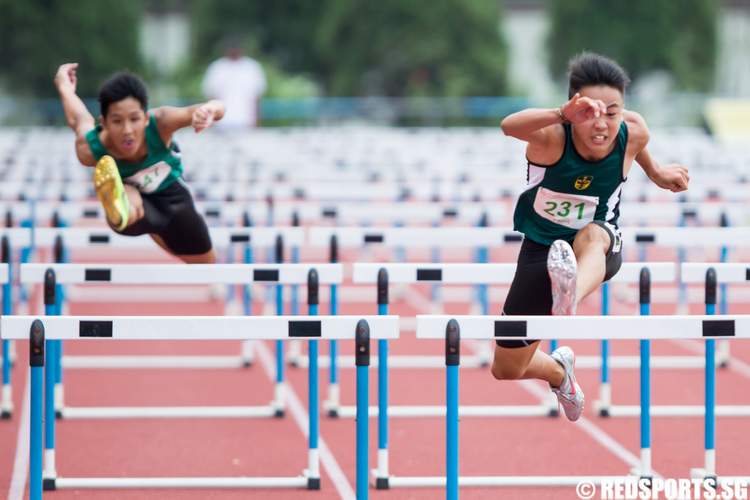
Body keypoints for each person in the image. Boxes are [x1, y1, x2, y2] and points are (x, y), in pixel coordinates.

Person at [494, 52, 689, 421]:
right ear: (573, 108)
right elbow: (508, 125)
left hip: (599, 246)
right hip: (541, 248)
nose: (602, 124)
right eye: (591, 112)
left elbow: (636, 142)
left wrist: (658, 172)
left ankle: (570, 294)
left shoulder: (634, 130)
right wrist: (560, 114)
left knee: (592, 235)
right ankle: (558, 371)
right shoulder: (551, 137)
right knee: (507, 368)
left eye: (612, 112)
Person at [54, 62, 225, 263]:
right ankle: (121, 206)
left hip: (174, 202)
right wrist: (64, 87)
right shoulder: (91, 148)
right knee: (129, 200)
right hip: (134, 212)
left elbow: (219, 107)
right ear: (105, 122)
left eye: (134, 119)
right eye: (117, 121)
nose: (127, 130)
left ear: (145, 118)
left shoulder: (160, 122)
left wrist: (208, 111)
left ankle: (143, 219)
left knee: (207, 264)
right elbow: (79, 119)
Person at [202, 39, 266, 130]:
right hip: (221, 124)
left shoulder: (252, 67)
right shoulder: (217, 68)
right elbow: (211, 98)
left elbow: (257, 98)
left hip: (246, 122)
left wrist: (257, 122)